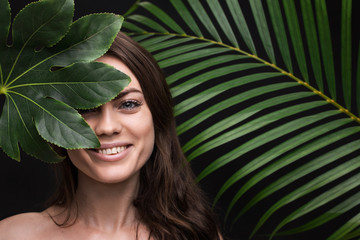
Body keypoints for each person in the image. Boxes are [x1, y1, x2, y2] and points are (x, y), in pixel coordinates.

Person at [0, 32, 222, 240]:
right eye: (85, 107)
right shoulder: (13, 235)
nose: (107, 127)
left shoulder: (199, 235)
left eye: (128, 104)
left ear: (157, 117)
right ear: (56, 124)